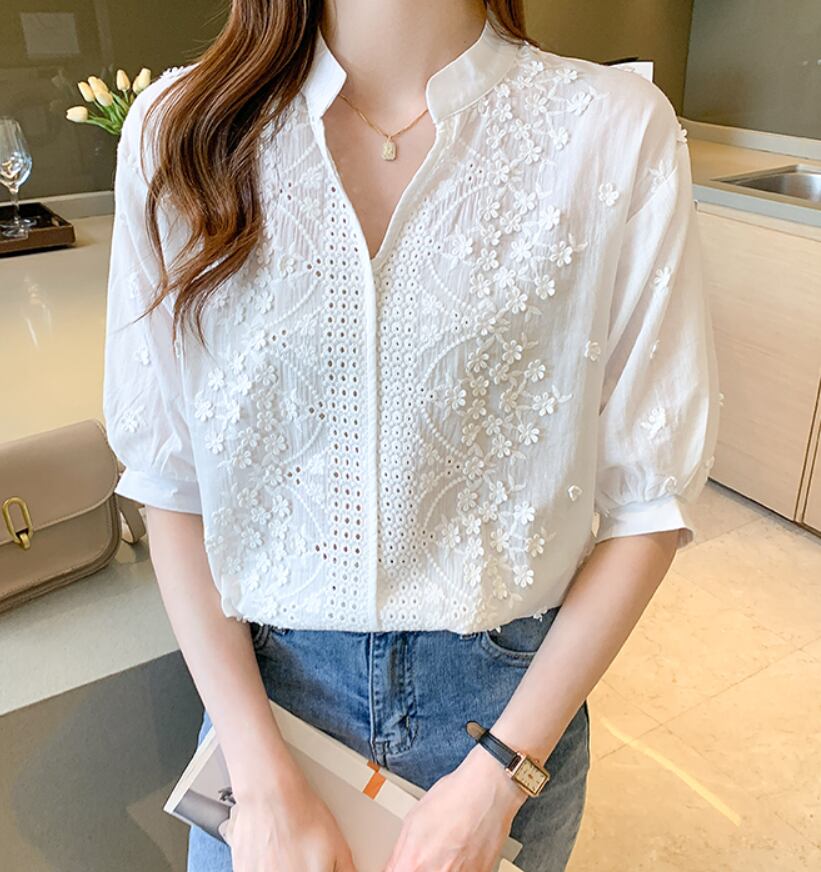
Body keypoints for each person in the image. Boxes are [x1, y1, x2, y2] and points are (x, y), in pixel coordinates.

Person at [102, 0, 721, 870]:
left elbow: (647, 501)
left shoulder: (613, 131)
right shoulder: (179, 130)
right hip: (264, 709)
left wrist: (501, 775)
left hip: (504, 717)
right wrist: (259, 773)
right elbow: (170, 481)